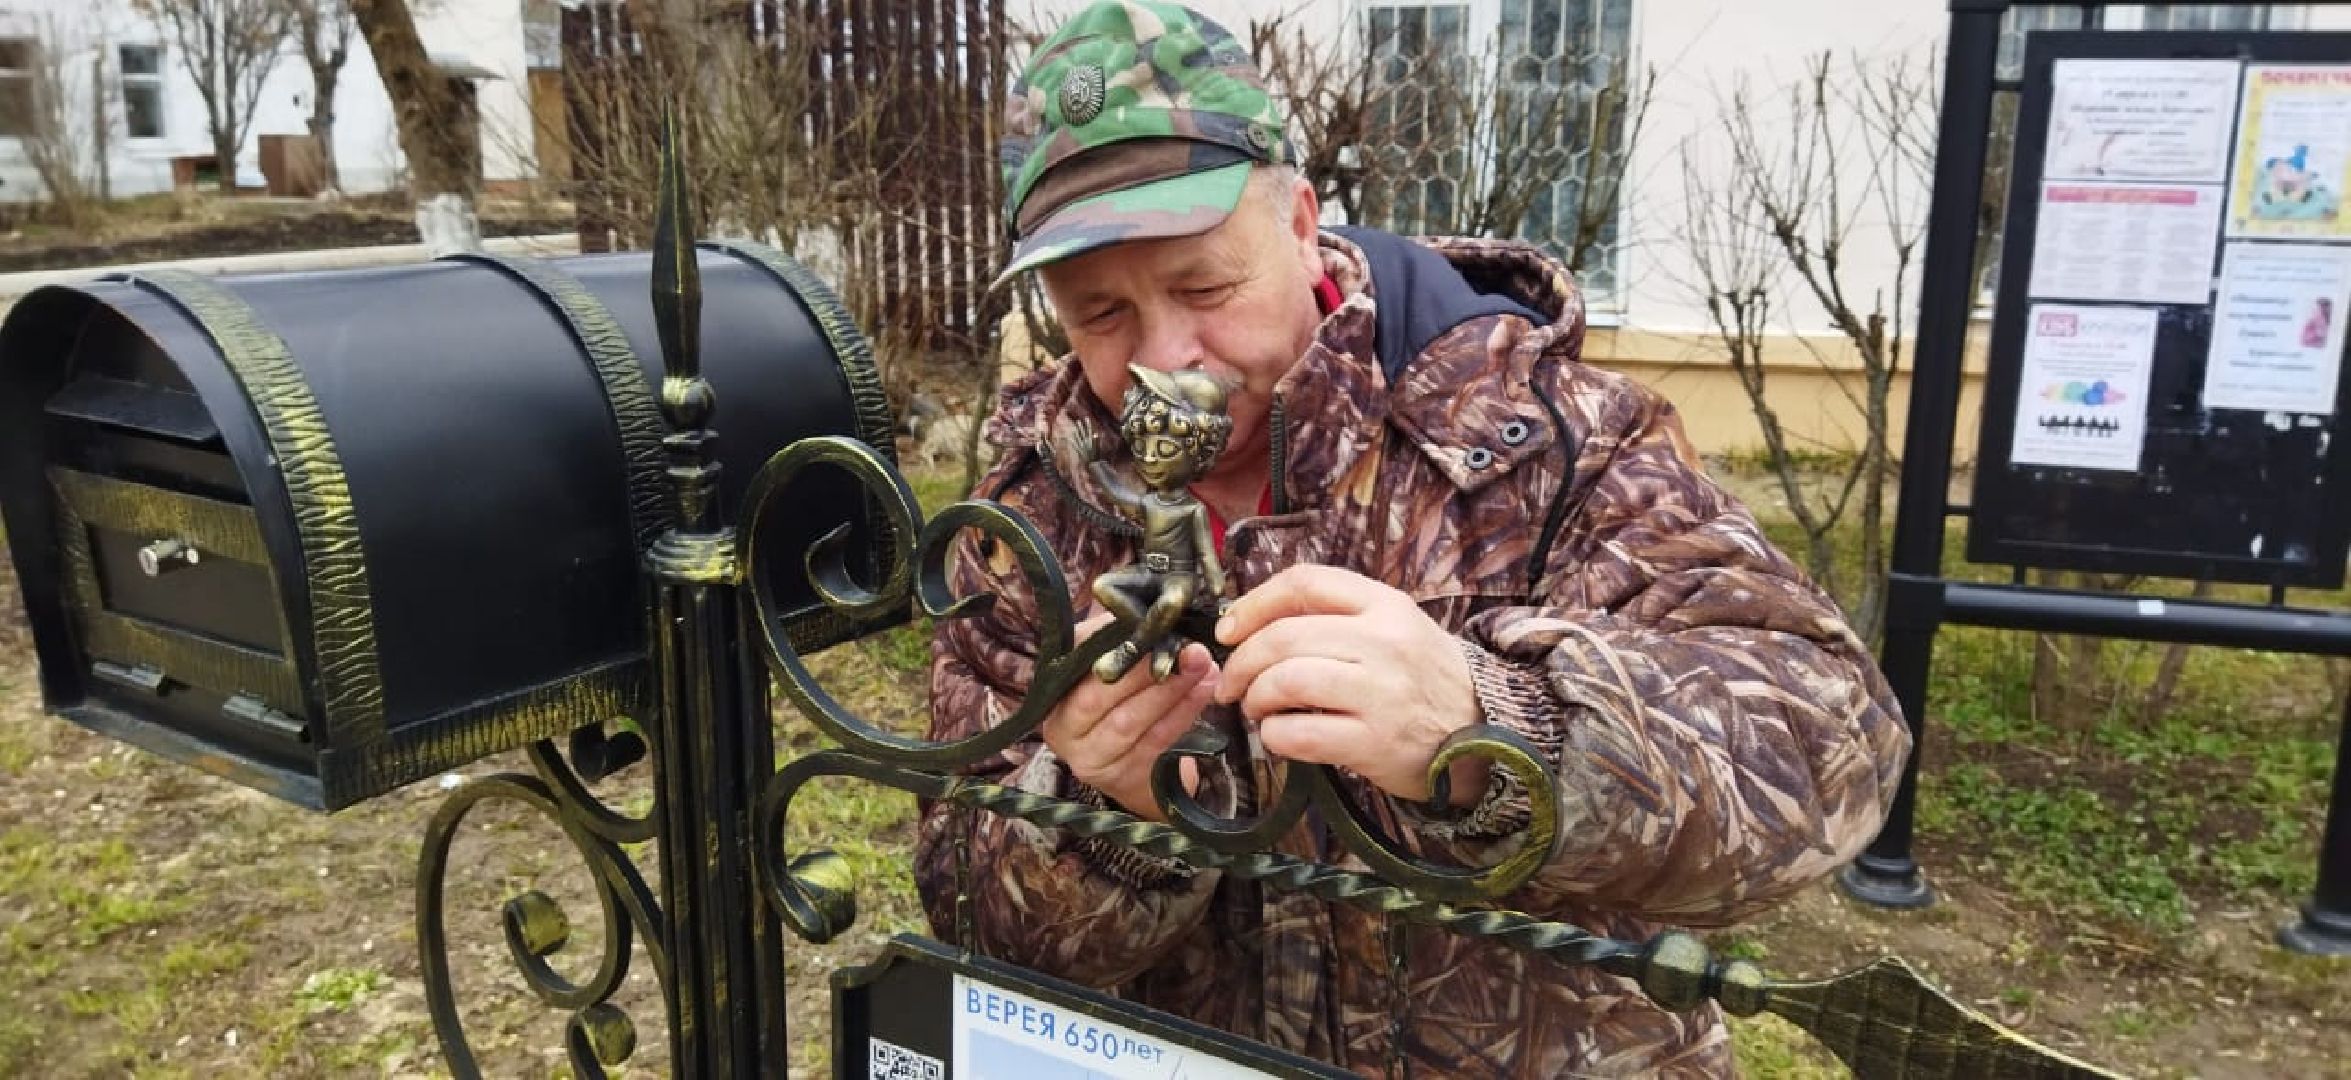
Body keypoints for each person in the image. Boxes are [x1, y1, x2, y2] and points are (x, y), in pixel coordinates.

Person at [913, 2, 1911, 1075]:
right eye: (1099, 315)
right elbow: (970, 915)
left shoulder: (1545, 438)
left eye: (1204, 287)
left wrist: (1497, 726)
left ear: (1299, 225)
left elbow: (1828, 751)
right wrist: (1091, 812)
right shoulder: (1028, 514)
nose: (1167, 356)